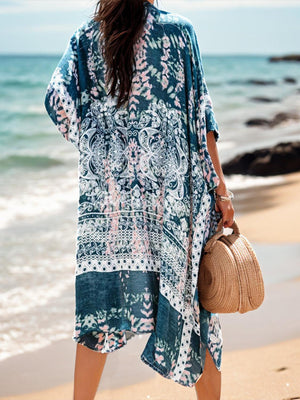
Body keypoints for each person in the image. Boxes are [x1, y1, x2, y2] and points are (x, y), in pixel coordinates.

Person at [44, 0, 235, 399]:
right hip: (174, 204)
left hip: (111, 210)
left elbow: (57, 99)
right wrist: (220, 190)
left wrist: (101, 149)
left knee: (98, 318)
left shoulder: (87, 35)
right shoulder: (179, 31)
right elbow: (202, 118)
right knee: (197, 313)